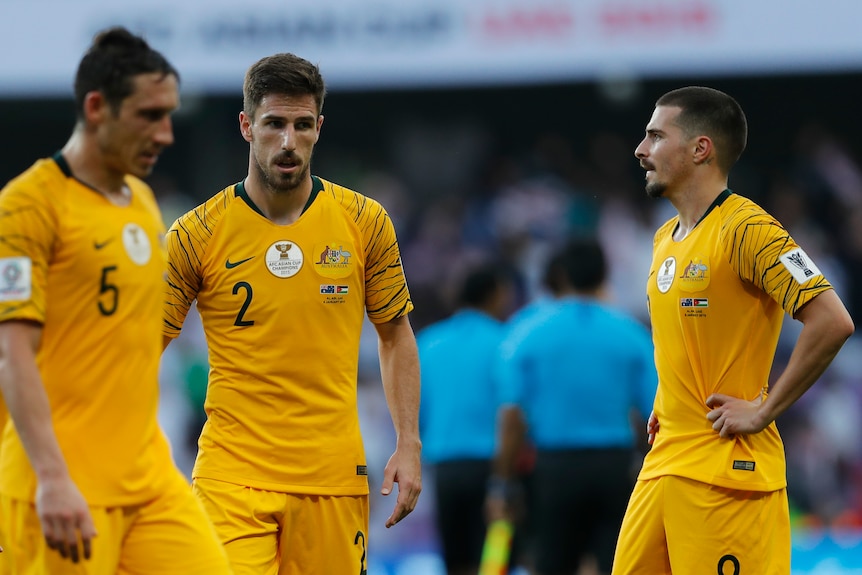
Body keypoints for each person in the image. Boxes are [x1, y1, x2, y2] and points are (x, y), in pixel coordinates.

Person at [162, 52, 422, 575]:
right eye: (274, 124)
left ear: (319, 128)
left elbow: (395, 335)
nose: (288, 141)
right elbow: (138, 345)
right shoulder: (196, 233)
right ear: (246, 126)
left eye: (303, 126)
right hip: (231, 477)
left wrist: (408, 443)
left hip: (331, 477)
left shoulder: (364, 222)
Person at [0, 27, 232, 574]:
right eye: (150, 115)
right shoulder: (29, 206)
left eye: (170, 115)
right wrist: (52, 478)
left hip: (149, 479)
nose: (166, 133)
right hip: (65, 484)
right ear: (97, 107)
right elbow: (13, 356)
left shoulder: (144, 203)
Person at [612, 86, 855, 575]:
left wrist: (765, 409)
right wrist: (666, 405)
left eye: (656, 136)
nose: (641, 150)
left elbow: (832, 320)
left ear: (701, 148)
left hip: (726, 475)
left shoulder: (749, 229)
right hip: (663, 467)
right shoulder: (664, 238)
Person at [490, 237, 658, 575]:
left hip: (554, 470)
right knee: (618, 564)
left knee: (552, 563)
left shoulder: (526, 333)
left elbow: (512, 416)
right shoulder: (631, 334)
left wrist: (503, 481)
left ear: (561, 275)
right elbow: (653, 413)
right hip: (614, 465)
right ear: (604, 275)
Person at [417, 263, 516, 575]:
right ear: (495, 295)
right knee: (495, 555)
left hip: (445, 466)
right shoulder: (506, 342)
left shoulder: (428, 342)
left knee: (455, 559)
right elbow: (512, 408)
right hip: (492, 469)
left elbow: (416, 409)